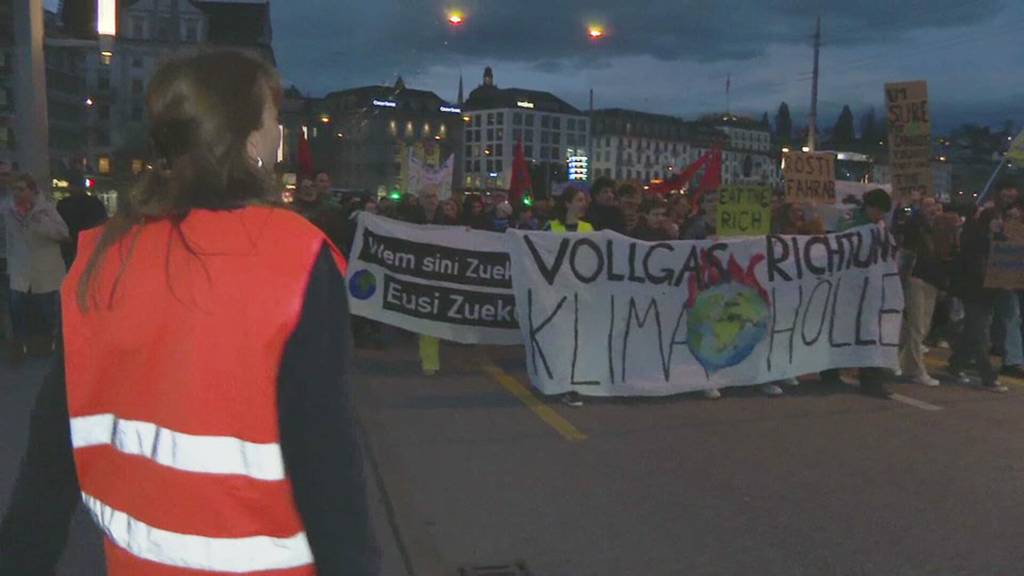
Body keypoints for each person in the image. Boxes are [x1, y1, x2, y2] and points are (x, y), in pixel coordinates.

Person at [0, 50, 380, 575]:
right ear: (249, 140)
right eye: (273, 122)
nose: (279, 136)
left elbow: (49, 456)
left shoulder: (105, 254)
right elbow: (328, 467)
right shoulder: (294, 256)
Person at [820, 188, 895, 398]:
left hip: (869, 286)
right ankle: (830, 372)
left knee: (869, 332)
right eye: (878, 211)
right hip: (847, 285)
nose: (880, 216)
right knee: (841, 329)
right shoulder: (851, 220)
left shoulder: (878, 224)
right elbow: (843, 241)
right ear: (869, 207)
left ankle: (871, 380)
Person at [948, 177, 1020, 392]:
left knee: (975, 328)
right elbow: (974, 249)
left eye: (1012, 192)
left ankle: (956, 364)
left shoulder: (1008, 218)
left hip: (993, 283)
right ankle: (988, 376)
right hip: (976, 283)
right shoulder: (983, 216)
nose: (1009, 196)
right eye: (1005, 191)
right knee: (980, 330)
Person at [2, 173, 69, 364]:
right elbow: (9, 239)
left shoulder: (46, 211)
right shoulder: (8, 211)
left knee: (48, 312)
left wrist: (40, 224)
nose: (17, 194)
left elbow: (63, 234)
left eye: (21, 189)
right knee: (18, 313)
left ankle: (51, 347)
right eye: (14, 189)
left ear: (32, 191)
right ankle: (20, 349)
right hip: (19, 271)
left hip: (45, 272)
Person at [544, 187, 592, 407]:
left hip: (579, 294)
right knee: (560, 341)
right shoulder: (550, 228)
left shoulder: (588, 228)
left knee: (575, 342)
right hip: (555, 293)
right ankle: (560, 382)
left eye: (584, 200)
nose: (583, 203)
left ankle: (571, 386)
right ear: (567, 203)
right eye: (579, 200)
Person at [898, 197, 951, 386]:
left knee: (922, 326)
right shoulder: (916, 226)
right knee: (917, 326)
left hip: (933, 280)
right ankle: (915, 370)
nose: (933, 210)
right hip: (916, 277)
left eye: (936, 207)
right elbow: (907, 230)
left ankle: (904, 363)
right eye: (928, 206)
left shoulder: (943, 229)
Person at [56, 182, 108, 267]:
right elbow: (101, 223)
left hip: (70, 245)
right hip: (88, 245)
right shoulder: (94, 203)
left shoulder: (63, 204)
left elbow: (58, 224)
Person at [292, 172, 348, 247]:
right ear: (299, 191)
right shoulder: (293, 210)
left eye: (312, 186)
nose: (309, 190)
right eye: (305, 187)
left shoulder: (329, 210)